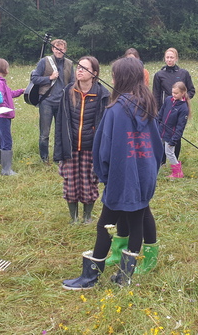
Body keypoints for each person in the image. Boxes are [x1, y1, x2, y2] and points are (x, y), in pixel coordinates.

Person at [62, 57, 163, 290]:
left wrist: (104, 174)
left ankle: (90, 277)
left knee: (105, 225)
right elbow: (157, 149)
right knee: (136, 223)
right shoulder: (148, 106)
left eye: (115, 75)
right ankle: (124, 277)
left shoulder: (115, 110)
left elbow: (103, 148)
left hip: (120, 178)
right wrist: (150, 173)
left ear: (121, 79)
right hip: (144, 178)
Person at [56, 56, 110, 224]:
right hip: (70, 147)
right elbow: (60, 122)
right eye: (78, 67)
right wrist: (59, 148)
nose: (79, 70)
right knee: (70, 183)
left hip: (91, 147)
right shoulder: (68, 91)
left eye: (84, 68)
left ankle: (87, 216)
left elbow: (105, 125)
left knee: (89, 182)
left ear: (94, 73)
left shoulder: (102, 94)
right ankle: (73, 218)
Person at [31, 39, 74, 164]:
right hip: (47, 101)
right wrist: (50, 78)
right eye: (56, 48)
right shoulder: (44, 61)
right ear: (53, 49)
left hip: (62, 102)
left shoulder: (70, 63)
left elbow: (73, 82)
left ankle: (58, 158)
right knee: (44, 134)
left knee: (60, 132)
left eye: (61, 49)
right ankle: (44, 159)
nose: (59, 51)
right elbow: (34, 78)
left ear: (65, 50)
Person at [152, 48, 195, 161]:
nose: (169, 60)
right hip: (165, 108)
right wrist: (157, 111)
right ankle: (162, 160)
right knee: (162, 135)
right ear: (164, 58)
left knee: (176, 134)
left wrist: (183, 100)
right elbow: (156, 94)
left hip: (179, 109)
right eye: (167, 57)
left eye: (172, 57)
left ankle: (175, 160)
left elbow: (191, 90)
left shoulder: (183, 73)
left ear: (176, 58)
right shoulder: (159, 74)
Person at [0, 58, 24, 176]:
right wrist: (6, 108)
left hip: (1, 115)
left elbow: (10, 94)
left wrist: (22, 91)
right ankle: (6, 169)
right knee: (7, 140)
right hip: (3, 115)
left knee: (0, 139)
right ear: (4, 68)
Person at [157, 82, 190, 178]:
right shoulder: (168, 100)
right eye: (173, 93)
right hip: (161, 131)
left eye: (176, 93)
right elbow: (161, 113)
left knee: (169, 152)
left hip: (171, 135)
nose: (174, 95)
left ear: (183, 93)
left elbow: (180, 127)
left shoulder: (183, 108)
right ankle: (157, 167)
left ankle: (177, 172)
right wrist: (157, 124)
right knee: (158, 149)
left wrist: (174, 139)